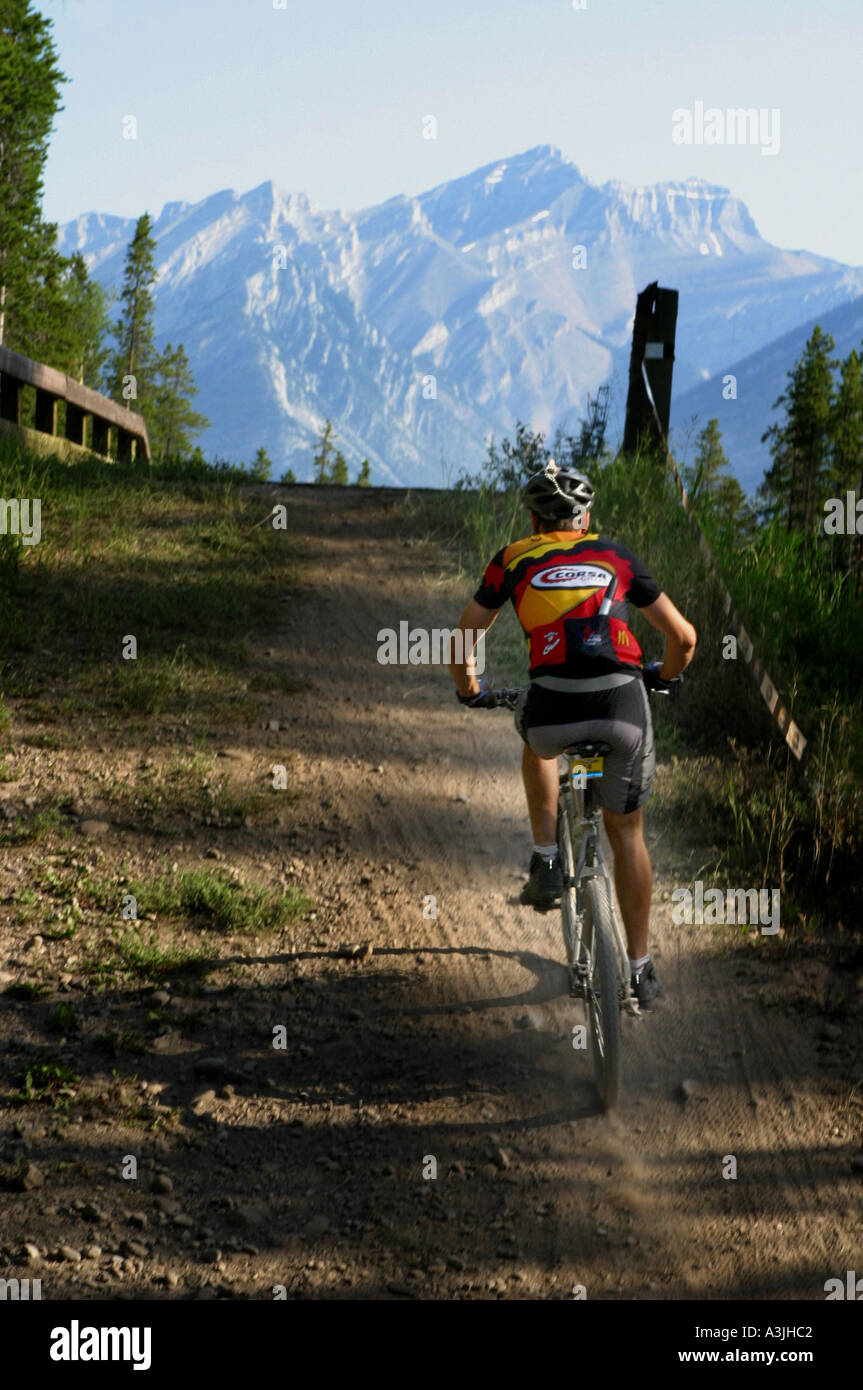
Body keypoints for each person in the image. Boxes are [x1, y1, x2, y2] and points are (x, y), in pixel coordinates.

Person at [448, 460, 697, 1010]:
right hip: (622, 704)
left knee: (536, 741)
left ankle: (546, 859)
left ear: (535, 522)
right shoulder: (615, 556)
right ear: (585, 520)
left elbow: (464, 634)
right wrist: (662, 677)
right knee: (627, 833)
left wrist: (470, 688)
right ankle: (641, 968)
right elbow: (684, 637)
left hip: (553, 708)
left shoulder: (513, 557)